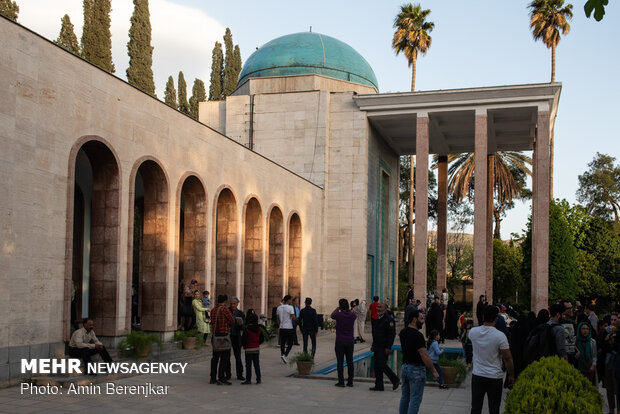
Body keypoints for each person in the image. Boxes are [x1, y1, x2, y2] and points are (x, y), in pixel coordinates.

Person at [469, 306, 515, 414]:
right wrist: (511, 375)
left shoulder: (473, 332)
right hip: (494, 376)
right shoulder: (500, 336)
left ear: (483, 316)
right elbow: (507, 358)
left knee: (475, 408)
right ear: (496, 319)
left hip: (478, 375)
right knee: (494, 409)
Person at [399, 309, 439, 414]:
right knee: (415, 400)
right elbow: (424, 354)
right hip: (416, 370)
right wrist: (434, 370)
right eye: (421, 319)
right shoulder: (418, 336)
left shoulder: (403, 333)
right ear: (414, 319)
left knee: (405, 397)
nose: (423, 321)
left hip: (405, 368)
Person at [370, 302, 399, 391]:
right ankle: (379, 385)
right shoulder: (379, 318)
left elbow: (391, 334)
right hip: (377, 345)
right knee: (377, 365)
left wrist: (388, 347)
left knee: (381, 364)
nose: (378, 309)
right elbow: (376, 334)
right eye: (378, 307)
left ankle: (395, 379)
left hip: (384, 346)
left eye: (380, 307)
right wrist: (373, 345)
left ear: (385, 309)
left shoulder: (389, 319)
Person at [331, 298, 357, 387]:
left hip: (340, 341)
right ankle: (350, 381)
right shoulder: (352, 315)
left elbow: (332, 315)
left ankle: (341, 381)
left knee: (340, 362)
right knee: (350, 362)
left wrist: (337, 308)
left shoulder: (338, 315)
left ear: (340, 306)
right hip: (350, 341)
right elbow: (354, 315)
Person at [210, 294, 235, 385]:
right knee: (224, 357)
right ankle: (221, 377)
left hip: (215, 335)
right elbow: (232, 321)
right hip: (223, 335)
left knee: (215, 357)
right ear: (225, 301)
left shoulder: (213, 310)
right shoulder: (225, 309)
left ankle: (213, 377)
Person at [241, 313, 265, 385]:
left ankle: (248, 379)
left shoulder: (247, 329)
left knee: (248, 365)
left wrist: (244, 345)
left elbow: (243, 340)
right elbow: (262, 339)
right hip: (256, 348)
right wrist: (257, 343)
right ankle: (258, 379)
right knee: (256, 364)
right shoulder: (259, 328)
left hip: (248, 349)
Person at [227, 297, 245, 381]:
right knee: (227, 355)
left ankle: (239, 374)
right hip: (228, 335)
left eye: (234, 304)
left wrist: (241, 324)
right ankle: (227, 374)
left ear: (237, 304)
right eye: (231, 303)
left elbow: (243, 326)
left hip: (236, 335)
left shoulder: (240, 313)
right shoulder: (227, 311)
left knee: (238, 356)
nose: (232, 305)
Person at [277, 295, 297, 364]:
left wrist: (280, 325)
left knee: (282, 343)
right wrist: (297, 319)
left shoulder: (279, 308)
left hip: (282, 327)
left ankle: (282, 354)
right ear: (288, 300)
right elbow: (293, 316)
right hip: (288, 327)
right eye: (290, 300)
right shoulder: (290, 307)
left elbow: (278, 318)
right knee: (290, 343)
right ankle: (285, 355)